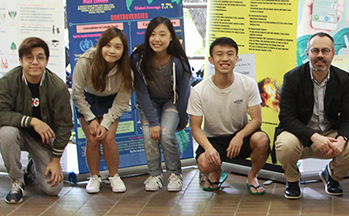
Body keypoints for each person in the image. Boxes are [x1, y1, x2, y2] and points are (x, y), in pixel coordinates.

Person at [275, 32, 349, 199]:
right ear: (307, 53)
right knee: (285, 145)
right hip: (300, 134)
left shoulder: (342, 78)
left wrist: (342, 139)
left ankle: (332, 175)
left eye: (325, 50)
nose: (320, 55)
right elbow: (286, 118)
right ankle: (292, 179)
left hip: (330, 133)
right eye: (315, 50)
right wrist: (314, 136)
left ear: (333, 53)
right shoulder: (292, 77)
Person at [0, 37, 73, 203]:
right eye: (29, 58)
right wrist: (32, 121)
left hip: (42, 141)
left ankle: (31, 167)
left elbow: (65, 125)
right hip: (17, 134)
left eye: (40, 57)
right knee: (6, 132)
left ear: (47, 60)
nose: (35, 62)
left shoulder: (57, 87)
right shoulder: (7, 81)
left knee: (53, 189)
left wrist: (56, 160)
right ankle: (17, 181)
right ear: (21, 61)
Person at [189, 37, 269, 195]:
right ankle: (216, 172)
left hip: (241, 135)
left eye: (230, 54)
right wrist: (209, 148)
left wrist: (240, 135)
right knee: (205, 163)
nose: (225, 58)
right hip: (214, 139)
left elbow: (257, 119)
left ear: (236, 59)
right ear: (211, 60)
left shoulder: (248, 84)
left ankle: (252, 177)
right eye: (219, 54)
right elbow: (196, 128)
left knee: (261, 140)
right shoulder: (199, 90)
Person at [132, 16, 192, 192]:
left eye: (162, 34)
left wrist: (182, 120)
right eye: (152, 34)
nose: (157, 39)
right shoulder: (138, 58)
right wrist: (153, 122)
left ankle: (175, 174)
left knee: (166, 135)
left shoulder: (179, 62)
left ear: (171, 37)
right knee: (150, 135)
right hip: (149, 102)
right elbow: (141, 92)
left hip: (171, 102)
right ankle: (155, 175)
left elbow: (183, 94)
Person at [71, 27, 133, 194]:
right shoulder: (86, 60)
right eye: (107, 45)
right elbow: (77, 94)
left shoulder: (127, 68)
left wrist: (104, 124)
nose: (112, 51)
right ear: (100, 46)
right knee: (92, 139)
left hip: (111, 101)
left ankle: (114, 176)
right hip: (87, 99)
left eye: (117, 47)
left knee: (108, 137)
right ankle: (94, 177)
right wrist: (91, 119)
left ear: (123, 50)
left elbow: (121, 101)